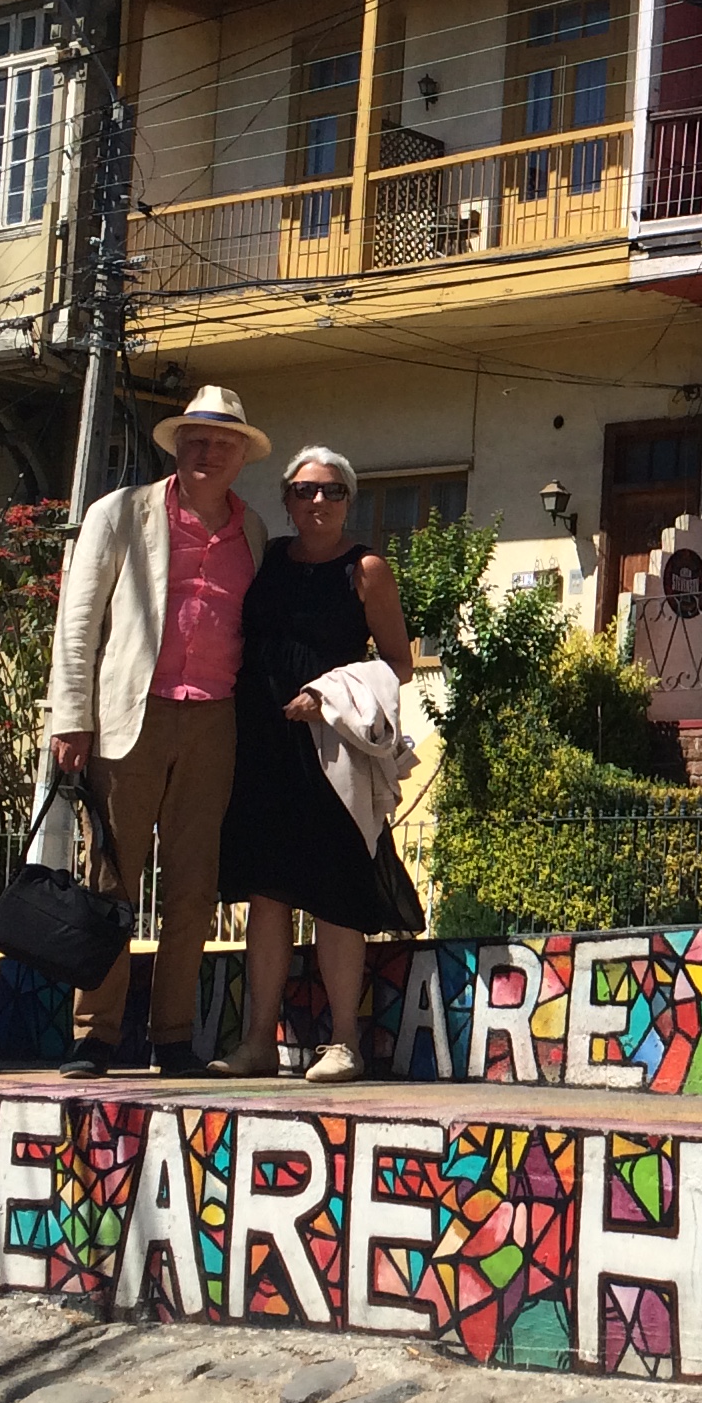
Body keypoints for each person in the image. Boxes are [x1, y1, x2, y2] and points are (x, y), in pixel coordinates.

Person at [43, 386, 269, 1077]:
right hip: (129, 715)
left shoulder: (254, 531)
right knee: (111, 879)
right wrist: (71, 715)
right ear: (176, 447)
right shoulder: (123, 512)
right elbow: (78, 620)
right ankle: (95, 1035)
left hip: (215, 718)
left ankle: (173, 1036)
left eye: (223, 443)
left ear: (241, 456)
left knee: (195, 888)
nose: (208, 452)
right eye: (196, 440)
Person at [213, 446, 422, 1084]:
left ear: (348, 500)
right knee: (267, 894)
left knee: (335, 893)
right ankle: (257, 1042)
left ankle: (344, 1043)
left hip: (331, 754)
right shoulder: (270, 558)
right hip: (262, 746)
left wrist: (328, 695)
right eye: (305, 490)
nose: (318, 501)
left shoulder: (366, 570)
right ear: (287, 500)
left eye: (332, 490)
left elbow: (399, 663)